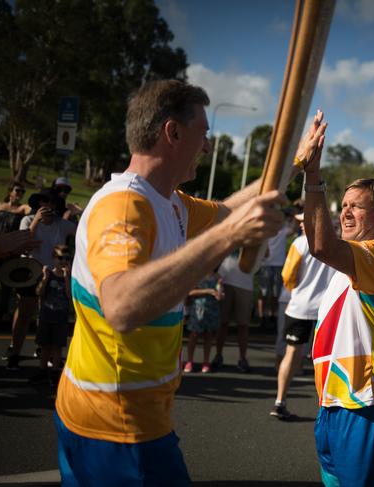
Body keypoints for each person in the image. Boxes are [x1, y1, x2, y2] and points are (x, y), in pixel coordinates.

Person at [54, 80, 323, 485]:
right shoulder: (124, 206)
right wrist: (230, 236)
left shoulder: (171, 202)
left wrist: (294, 164)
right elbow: (122, 307)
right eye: (204, 134)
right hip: (115, 428)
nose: (207, 147)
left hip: (127, 420)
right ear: (173, 132)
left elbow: (233, 207)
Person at [299, 111, 374, 487]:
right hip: (334, 399)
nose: (345, 211)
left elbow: (319, 243)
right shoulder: (345, 265)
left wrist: (312, 175)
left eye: (356, 206)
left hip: (370, 400)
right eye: (343, 205)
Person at [270, 220, 335, 420]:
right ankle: (330, 407)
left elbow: (287, 276)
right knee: (327, 359)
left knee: (291, 353)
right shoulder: (334, 243)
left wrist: (299, 289)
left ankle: (280, 401)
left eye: (303, 221)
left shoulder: (300, 243)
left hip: (301, 306)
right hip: (326, 309)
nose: (300, 225)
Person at [5, 192, 76, 370]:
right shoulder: (28, 220)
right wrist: (36, 220)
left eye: (52, 204)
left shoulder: (61, 224)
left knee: (48, 317)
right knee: (24, 314)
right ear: (37, 205)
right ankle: (15, 352)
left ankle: (46, 352)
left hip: (53, 274)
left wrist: (78, 211)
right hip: (30, 272)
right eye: (45, 204)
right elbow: (24, 243)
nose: (49, 207)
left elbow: (86, 229)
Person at [0, 181, 31, 317]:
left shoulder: (22, 208)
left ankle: (2, 312)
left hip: (10, 250)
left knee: (6, 282)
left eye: (22, 191)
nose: (20, 193)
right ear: (10, 192)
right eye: (17, 190)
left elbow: (31, 210)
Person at [29, 245, 72, 387]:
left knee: (57, 347)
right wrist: (45, 278)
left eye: (66, 259)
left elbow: (69, 296)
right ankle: (42, 371)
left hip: (60, 318)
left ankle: (54, 373)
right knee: (45, 346)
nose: (63, 261)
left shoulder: (70, 277)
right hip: (46, 316)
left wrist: (66, 278)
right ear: (54, 259)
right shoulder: (48, 273)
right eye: (60, 258)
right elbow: (39, 292)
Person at [212, 251, 255, 372]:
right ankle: (218, 355)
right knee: (222, 323)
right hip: (225, 281)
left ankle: (242, 358)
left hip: (245, 284)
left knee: (243, 325)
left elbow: (265, 253)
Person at [183, 270, 223, 373]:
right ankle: (189, 361)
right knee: (194, 334)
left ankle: (206, 362)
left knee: (209, 335)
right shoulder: (197, 274)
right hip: (198, 309)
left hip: (212, 309)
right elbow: (190, 292)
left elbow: (221, 292)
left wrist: (220, 295)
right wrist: (208, 291)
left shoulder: (217, 276)